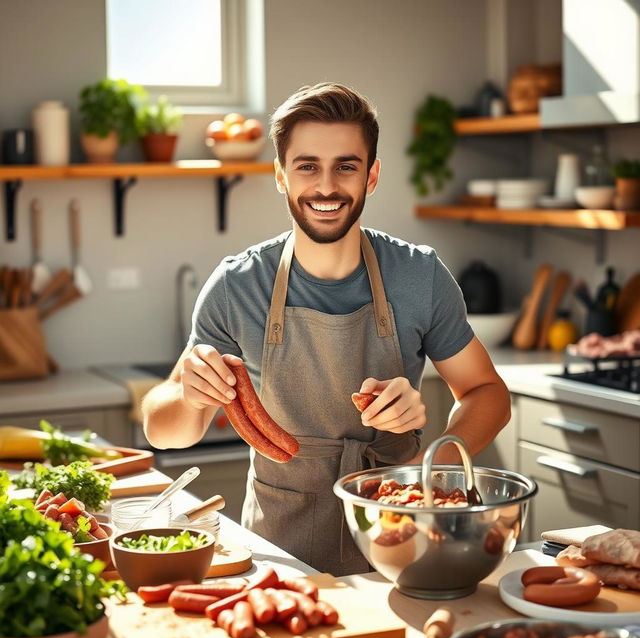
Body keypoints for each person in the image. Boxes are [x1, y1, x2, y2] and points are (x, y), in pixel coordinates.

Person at [142, 82, 511, 576]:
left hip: (397, 539)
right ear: (280, 175)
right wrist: (190, 398)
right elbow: (163, 431)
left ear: (372, 176)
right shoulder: (237, 286)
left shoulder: (419, 276)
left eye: (346, 166)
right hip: (278, 555)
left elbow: (488, 392)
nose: (326, 187)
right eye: (307, 166)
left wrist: (433, 463)